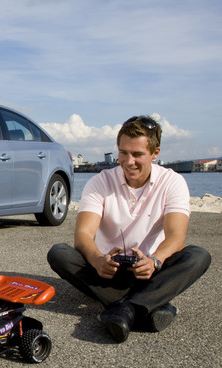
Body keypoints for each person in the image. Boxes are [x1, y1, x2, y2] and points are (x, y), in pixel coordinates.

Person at [47, 116, 211, 343]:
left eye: (137, 154)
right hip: (109, 270)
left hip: (152, 269)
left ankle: (126, 309)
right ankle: (149, 305)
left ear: (155, 153)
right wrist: (97, 260)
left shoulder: (172, 182)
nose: (128, 161)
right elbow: (83, 235)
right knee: (59, 252)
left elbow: (176, 236)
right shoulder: (101, 182)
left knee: (198, 255)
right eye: (123, 153)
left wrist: (155, 260)